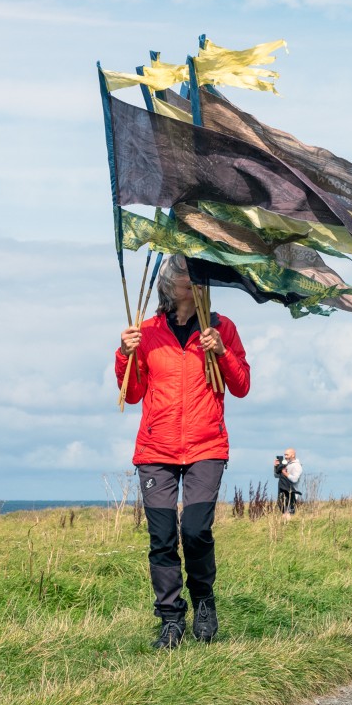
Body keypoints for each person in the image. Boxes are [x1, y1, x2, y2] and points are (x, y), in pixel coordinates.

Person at [115, 256, 251, 649]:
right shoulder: (147, 331)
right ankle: (170, 620)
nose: (189, 281)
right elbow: (133, 391)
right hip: (156, 449)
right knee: (161, 538)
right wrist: (125, 353)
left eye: (195, 275)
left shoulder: (221, 328)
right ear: (168, 284)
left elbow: (241, 386)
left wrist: (223, 351)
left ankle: (204, 602)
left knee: (195, 531)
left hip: (206, 446)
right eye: (181, 275)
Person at [275, 448, 303, 517]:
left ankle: (289, 527)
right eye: (285, 455)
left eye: (287, 455)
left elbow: (295, 479)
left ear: (293, 455)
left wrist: (285, 473)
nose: (285, 456)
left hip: (291, 494)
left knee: (289, 515)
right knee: (284, 515)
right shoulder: (286, 464)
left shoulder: (297, 466)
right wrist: (276, 467)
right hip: (284, 492)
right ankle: (285, 527)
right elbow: (276, 476)